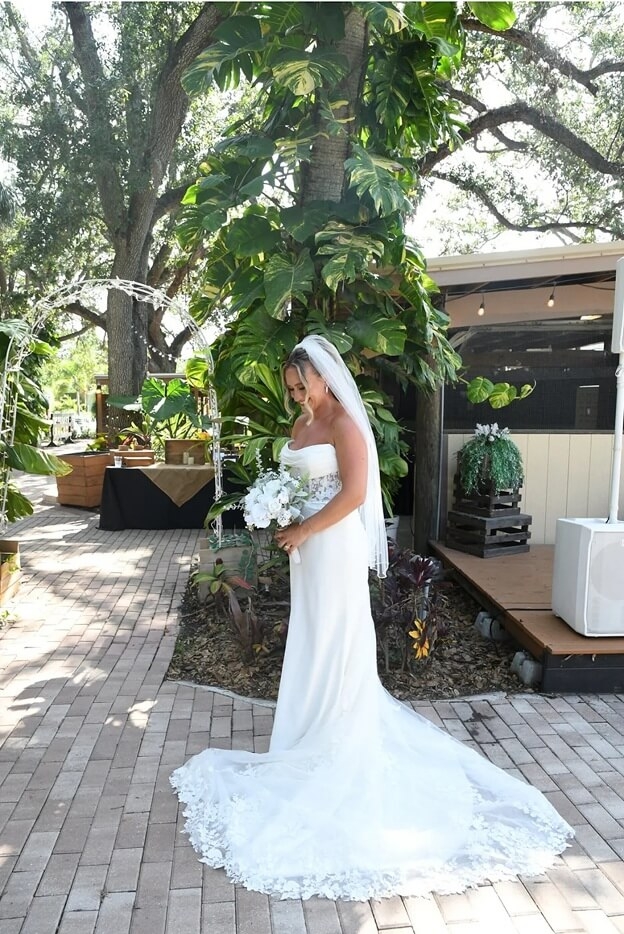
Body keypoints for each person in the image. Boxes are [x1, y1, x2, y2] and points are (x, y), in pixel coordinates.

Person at [170, 334, 573, 901]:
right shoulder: (302, 424)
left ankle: (336, 735)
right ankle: (306, 733)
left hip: (330, 548)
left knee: (335, 637)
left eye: (300, 385)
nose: (295, 396)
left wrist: (305, 527)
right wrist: (279, 508)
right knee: (311, 638)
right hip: (305, 550)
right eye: (289, 388)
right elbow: (299, 483)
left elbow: (356, 494)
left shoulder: (344, 426)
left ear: (325, 378)